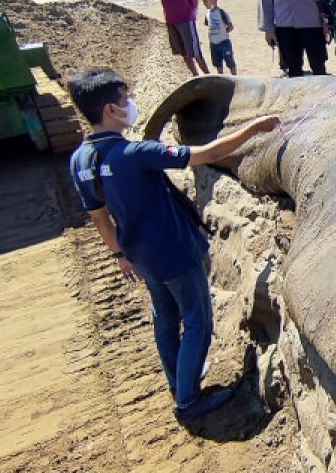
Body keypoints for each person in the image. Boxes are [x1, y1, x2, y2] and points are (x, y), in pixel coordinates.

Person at [66, 68, 281, 425]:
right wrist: (255, 128)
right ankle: (188, 400)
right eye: (124, 100)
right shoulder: (135, 153)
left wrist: (119, 254)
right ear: (110, 110)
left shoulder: (81, 160)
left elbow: (99, 217)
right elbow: (208, 151)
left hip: (139, 254)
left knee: (165, 317)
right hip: (173, 250)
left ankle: (178, 380)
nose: (130, 105)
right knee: (198, 321)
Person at [200, 0, 236, 75]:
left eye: (205, 1)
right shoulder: (207, 13)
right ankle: (221, 77)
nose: (203, 3)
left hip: (224, 42)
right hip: (213, 43)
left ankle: (234, 76)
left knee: (230, 61)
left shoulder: (221, 12)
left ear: (213, 0)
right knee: (217, 63)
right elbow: (208, 25)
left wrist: (224, 32)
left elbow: (230, 26)